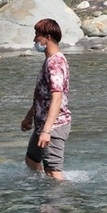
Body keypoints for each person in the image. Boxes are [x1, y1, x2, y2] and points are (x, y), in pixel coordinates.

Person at [21, 18, 71, 180]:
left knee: (53, 171)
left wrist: (47, 131)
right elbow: (43, 95)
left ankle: (60, 200)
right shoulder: (52, 60)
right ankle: (43, 189)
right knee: (31, 160)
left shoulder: (54, 64)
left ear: (47, 37)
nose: (34, 39)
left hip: (54, 125)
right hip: (42, 122)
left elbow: (57, 97)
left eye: (37, 35)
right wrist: (30, 116)